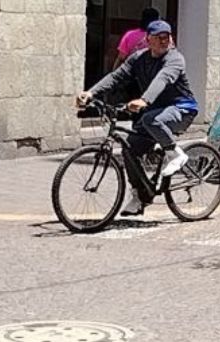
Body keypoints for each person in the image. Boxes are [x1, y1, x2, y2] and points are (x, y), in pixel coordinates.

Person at [76, 20, 198, 216]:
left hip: (181, 110)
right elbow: (116, 77)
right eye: (160, 37)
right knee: (129, 149)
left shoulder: (175, 59)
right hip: (154, 112)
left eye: (168, 36)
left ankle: (175, 153)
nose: (165, 40)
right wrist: (91, 93)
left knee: (151, 119)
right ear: (148, 40)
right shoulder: (138, 59)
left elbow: (163, 79)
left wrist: (144, 100)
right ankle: (140, 195)